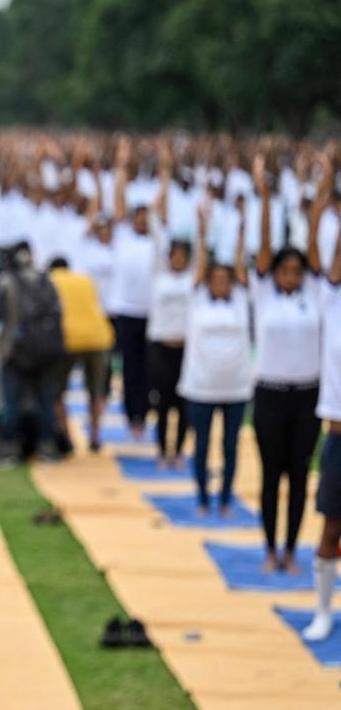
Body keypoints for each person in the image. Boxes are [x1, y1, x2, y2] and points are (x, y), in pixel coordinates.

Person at [251, 154, 324, 573]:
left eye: (297, 272)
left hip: (306, 396)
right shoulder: (263, 295)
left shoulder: (313, 295)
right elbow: (263, 247)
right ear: (276, 272)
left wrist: (315, 212)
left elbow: (315, 248)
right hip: (271, 394)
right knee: (271, 473)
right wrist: (264, 198)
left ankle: (293, 550)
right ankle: (269, 548)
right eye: (285, 271)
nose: (291, 277)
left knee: (298, 475)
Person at [178, 200, 252, 516]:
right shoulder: (196, 298)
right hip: (201, 386)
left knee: (230, 447)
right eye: (215, 278)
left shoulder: (242, 300)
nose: (221, 282)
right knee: (203, 444)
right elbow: (199, 260)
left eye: (226, 278)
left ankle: (224, 499)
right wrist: (202, 228)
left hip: (235, 387)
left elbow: (240, 265)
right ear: (208, 280)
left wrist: (240, 233)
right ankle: (203, 500)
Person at [0, 242, 66, 462]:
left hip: (14, 349)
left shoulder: (6, 281)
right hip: (45, 350)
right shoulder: (45, 279)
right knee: (45, 399)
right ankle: (46, 447)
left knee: (10, 400)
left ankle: (9, 448)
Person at [304, 204, 341, 642]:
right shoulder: (332, 300)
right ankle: (322, 610)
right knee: (331, 525)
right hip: (338, 435)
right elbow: (326, 256)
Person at [147, 147, 194, 469]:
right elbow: (153, 223)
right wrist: (164, 177)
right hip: (161, 346)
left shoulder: (194, 279)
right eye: (173, 255)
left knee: (184, 404)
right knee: (163, 403)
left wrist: (201, 226)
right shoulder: (159, 274)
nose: (177, 259)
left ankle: (178, 450)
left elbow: (201, 250)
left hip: (187, 347)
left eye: (182, 256)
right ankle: (163, 450)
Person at [108, 138, 156, 439]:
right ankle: (131, 415)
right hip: (126, 310)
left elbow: (162, 203)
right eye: (136, 218)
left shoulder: (157, 241)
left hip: (151, 313)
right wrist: (122, 166)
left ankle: (143, 412)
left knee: (148, 369)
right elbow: (119, 202)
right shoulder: (123, 236)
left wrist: (163, 170)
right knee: (129, 366)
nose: (140, 222)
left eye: (145, 218)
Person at [48, 256, 114, 452]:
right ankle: (95, 436)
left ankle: (67, 438)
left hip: (67, 339)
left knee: (57, 392)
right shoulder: (85, 280)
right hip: (98, 337)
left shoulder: (50, 280)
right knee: (97, 390)